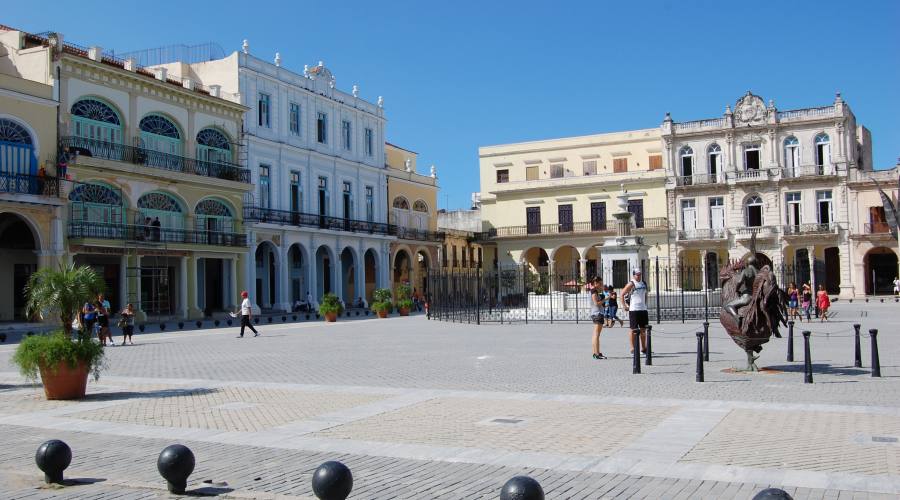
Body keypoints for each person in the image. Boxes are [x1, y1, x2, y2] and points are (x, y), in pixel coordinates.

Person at [621, 268, 649, 354]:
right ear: (633, 275)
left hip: (643, 309)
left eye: (640, 274)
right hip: (634, 310)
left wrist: (645, 303)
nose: (639, 276)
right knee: (633, 329)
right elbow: (622, 294)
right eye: (637, 274)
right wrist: (624, 306)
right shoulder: (631, 283)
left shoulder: (644, 283)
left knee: (643, 329)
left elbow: (645, 294)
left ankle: (643, 348)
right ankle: (633, 348)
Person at [725, 255, 759, 323]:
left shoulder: (746, 271)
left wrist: (737, 289)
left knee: (728, 305)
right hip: (758, 296)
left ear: (748, 263)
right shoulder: (759, 272)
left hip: (748, 297)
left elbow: (740, 281)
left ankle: (737, 318)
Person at [589, 276, 606, 359]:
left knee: (595, 334)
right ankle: (597, 353)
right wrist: (607, 298)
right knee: (596, 334)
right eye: (600, 284)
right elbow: (596, 303)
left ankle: (596, 352)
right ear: (595, 283)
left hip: (596, 313)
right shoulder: (593, 291)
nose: (601, 285)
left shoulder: (594, 291)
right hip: (597, 314)